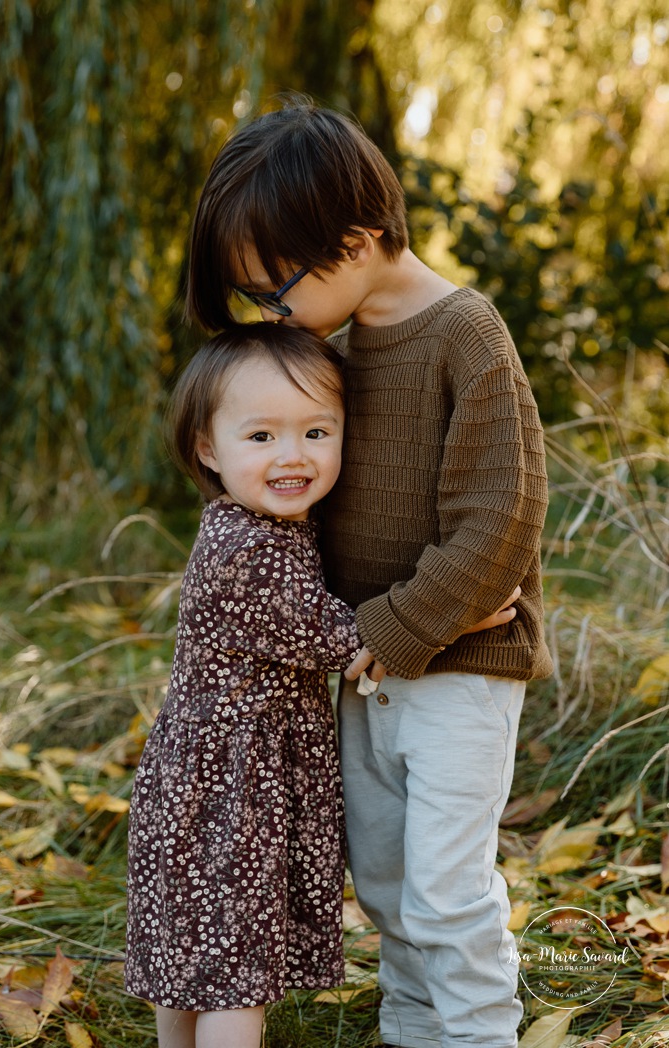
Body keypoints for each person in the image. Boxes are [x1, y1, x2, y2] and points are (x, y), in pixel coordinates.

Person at [185, 98, 553, 1048]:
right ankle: (412, 1032)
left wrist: (396, 630)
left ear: (350, 239)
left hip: (456, 672)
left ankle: (477, 1037)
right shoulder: (335, 356)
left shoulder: (465, 334)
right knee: (387, 883)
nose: (269, 314)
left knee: (443, 889)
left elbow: (499, 520)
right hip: (365, 674)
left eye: (275, 290)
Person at [125, 323, 518, 1048]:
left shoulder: (255, 527)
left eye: (315, 430)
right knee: (235, 972)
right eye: (261, 437)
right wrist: (453, 613)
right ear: (208, 449)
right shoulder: (251, 552)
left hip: (204, 782)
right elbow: (348, 641)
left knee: (194, 953)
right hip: (232, 793)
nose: (292, 456)